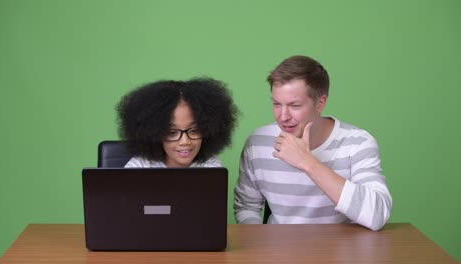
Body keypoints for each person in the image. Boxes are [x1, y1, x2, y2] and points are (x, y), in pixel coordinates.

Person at [233, 55, 392, 230]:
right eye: (277, 104)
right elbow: (246, 206)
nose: (283, 117)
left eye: (295, 106)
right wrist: (262, 242)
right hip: (279, 251)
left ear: (320, 103)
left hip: (341, 253)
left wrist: (307, 162)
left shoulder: (358, 142)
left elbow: (377, 215)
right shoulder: (258, 143)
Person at [116, 77, 238, 168]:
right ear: (155, 133)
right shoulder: (140, 166)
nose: (184, 141)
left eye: (194, 130)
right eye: (172, 132)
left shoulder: (210, 167)